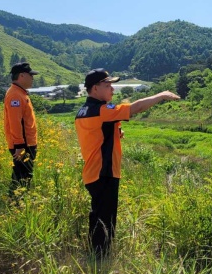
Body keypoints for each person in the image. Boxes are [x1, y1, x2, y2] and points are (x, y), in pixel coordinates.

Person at [75, 68, 180, 258]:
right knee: (105, 219)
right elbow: (135, 108)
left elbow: (97, 134)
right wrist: (161, 95)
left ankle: (96, 253)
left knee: (98, 214)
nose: (112, 89)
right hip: (104, 172)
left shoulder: (83, 111)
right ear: (95, 88)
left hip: (92, 171)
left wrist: (115, 134)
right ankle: (100, 258)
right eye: (108, 85)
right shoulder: (101, 110)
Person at [3, 62, 39, 197]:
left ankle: (17, 200)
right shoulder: (15, 95)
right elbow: (15, 122)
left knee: (23, 175)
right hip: (23, 144)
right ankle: (17, 201)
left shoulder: (19, 92)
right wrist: (19, 146)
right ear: (22, 76)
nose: (32, 78)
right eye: (31, 75)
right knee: (23, 176)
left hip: (26, 143)